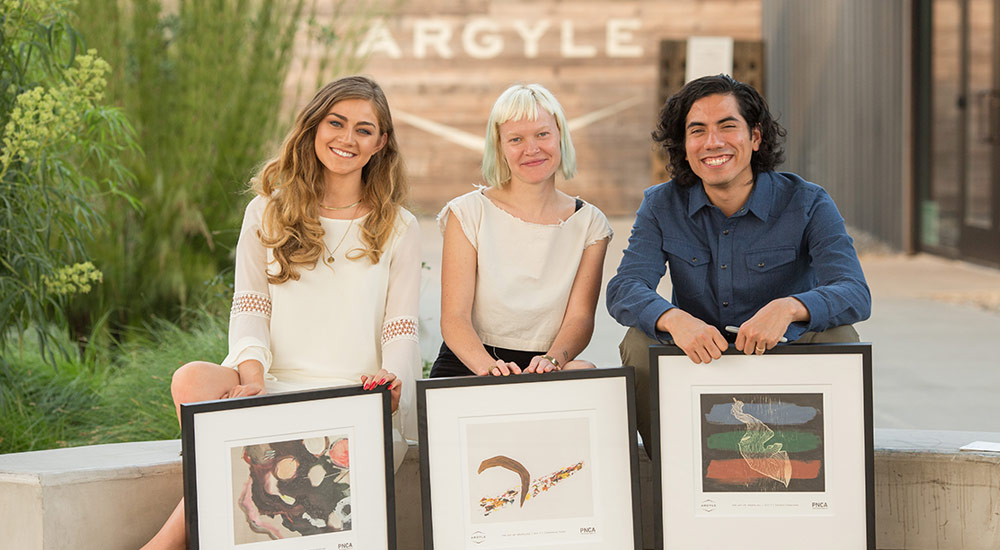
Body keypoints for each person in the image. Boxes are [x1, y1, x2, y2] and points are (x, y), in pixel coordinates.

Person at [141, 76, 421, 550]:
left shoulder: (399, 226)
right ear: (313, 127)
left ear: (381, 143)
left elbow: (401, 329)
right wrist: (252, 378)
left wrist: (392, 381)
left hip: (352, 398)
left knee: (262, 441)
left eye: (364, 129)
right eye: (336, 123)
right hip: (275, 387)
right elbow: (249, 308)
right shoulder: (266, 212)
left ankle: (165, 544)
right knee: (191, 380)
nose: (347, 139)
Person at [606, 74, 871, 455]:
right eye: (697, 131)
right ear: (683, 144)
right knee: (638, 340)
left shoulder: (808, 202)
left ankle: (831, 471)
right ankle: (669, 469)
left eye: (727, 127)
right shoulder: (661, 204)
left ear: (756, 137)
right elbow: (625, 288)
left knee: (839, 338)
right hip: (699, 355)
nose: (712, 142)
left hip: (783, 350)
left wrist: (789, 308)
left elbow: (854, 293)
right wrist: (675, 319)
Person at [430, 83, 612, 378]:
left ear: (560, 137)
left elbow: (580, 318)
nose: (532, 149)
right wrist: (489, 369)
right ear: (500, 148)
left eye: (543, 134)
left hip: (544, 365)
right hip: (471, 361)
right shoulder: (467, 213)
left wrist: (553, 360)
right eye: (516, 139)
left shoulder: (590, 224)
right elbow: (454, 319)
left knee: (583, 370)